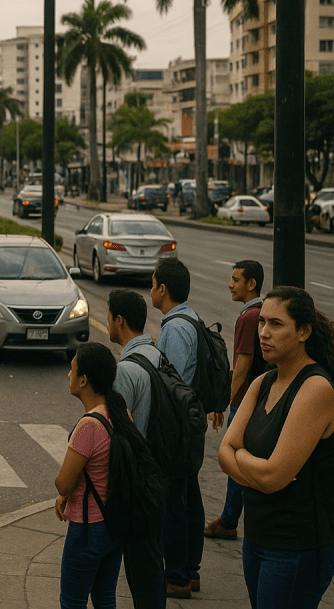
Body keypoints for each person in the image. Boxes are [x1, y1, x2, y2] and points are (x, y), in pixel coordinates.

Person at [218, 287, 334, 609]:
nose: (264, 333)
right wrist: (253, 463)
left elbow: (273, 477)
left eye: (276, 324)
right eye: (262, 322)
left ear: (303, 332)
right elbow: (223, 453)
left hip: (297, 546)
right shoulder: (263, 382)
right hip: (256, 537)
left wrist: (241, 457)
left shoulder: (315, 388)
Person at [55, 342, 136, 609]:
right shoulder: (120, 411)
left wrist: (63, 493)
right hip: (114, 523)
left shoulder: (89, 425)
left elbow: (63, 482)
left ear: (84, 380)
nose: (69, 375)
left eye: (72, 369)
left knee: (72, 602)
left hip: (87, 529)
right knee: (105, 599)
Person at [107, 289, 166, 609]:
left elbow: (117, 430)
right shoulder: (156, 355)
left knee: (141, 569)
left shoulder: (126, 370)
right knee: (152, 562)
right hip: (161, 470)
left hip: (140, 481)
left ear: (119, 319)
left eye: (108, 317)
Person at [150, 257, 205, 598]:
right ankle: (190, 570)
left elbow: (172, 384)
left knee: (173, 503)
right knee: (189, 498)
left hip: (177, 429)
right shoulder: (191, 318)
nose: (150, 290)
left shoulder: (175, 329)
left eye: (152, 284)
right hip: (190, 425)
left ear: (162, 289)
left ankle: (177, 576)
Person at [205, 260, 267, 541]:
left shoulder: (249, 317)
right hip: (256, 401)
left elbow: (242, 365)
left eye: (235, 280)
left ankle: (229, 520)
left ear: (251, 284)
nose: (230, 285)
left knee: (234, 461)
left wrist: (223, 402)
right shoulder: (260, 312)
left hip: (244, 402)